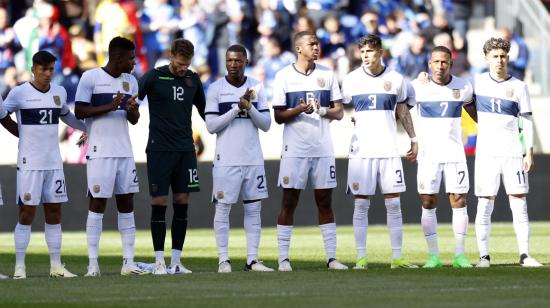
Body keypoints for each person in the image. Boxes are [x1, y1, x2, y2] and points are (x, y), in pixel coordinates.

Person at [0, 50, 85, 279]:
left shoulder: (59, 92)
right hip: (29, 163)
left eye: (50, 69)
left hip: (53, 163)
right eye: (43, 69)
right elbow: (2, 114)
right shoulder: (19, 93)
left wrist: (88, 128)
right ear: (33, 69)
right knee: (26, 213)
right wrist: (20, 134)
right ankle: (19, 267)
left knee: (54, 212)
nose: (47, 74)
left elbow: (67, 116)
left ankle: (56, 266)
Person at [341, 34, 418, 270]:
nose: (365, 56)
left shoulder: (396, 79)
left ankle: (397, 258)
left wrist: (414, 138)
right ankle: (361, 258)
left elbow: (403, 110)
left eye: (370, 52)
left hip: (388, 149)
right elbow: (340, 107)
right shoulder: (351, 80)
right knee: (361, 204)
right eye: (362, 52)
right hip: (361, 150)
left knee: (393, 204)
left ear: (380, 53)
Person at [272, 31, 347, 271]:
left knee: (325, 201)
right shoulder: (283, 76)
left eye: (317, 43)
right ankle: (283, 258)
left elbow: (339, 112)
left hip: (322, 148)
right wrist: (300, 110)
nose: (316, 47)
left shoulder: (327, 74)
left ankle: (331, 257)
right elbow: (278, 116)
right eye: (311, 44)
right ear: (298, 48)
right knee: (289, 201)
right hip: (294, 149)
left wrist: (322, 111)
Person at [75, 36, 148, 276]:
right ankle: (93, 264)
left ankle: (128, 263)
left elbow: (134, 121)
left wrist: (132, 110)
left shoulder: (131, 82)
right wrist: (110, 105)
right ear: (117, 58)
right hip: (99, 152)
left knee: (127, 204)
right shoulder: (90, 78)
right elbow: (80, 111)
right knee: (97, 205)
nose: (133, 62)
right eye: (130, 58)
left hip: (124, 151)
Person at [138, 38, 205, 275]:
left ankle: (175, 262)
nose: (181, 69)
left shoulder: (193, 80)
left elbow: (207, 113)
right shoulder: (153, 77)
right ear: (171, 56)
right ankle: (158, 261)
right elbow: (132, 103)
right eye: (178, 64)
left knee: (182, 202)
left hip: (186, 150)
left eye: (186, 65)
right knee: (159, 202)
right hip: (159, 149)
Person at [473, 37, 542, 267]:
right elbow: (449, 88)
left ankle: (524, 255)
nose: (499, 60)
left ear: (508, 58)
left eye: (503, 56)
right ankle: (484, 256)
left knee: (519, 202)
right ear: (486, 59)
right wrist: (423, 78)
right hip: (486, 154)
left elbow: (527, 121)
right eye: (495, 56)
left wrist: (528, 152)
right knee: (485, 203)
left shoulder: (520, 87)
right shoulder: (477, 82)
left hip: (513, 152)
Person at [205, 44, 274, 273]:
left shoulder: (256, 86)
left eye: (238, 60)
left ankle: (252, 260)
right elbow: (211, 125)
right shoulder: (215, 88)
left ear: (246, 61)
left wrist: (250, 108)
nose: (233, 64)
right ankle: (223, 259)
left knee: (254, 210)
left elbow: (266, 125)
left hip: (253, 158)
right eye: (229, 60)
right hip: (226, 159)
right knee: (223, 209)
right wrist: (237, 108)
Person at [409, 46, 476, 268]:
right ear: (429, 64)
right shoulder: (418, 86)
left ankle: (460, 255)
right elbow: (400, 109)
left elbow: (476, 112)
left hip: (454, 152)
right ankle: (434, 256)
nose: (440, 66)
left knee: (459, 200)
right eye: (436, 62)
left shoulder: (463, 86)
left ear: (450, 63)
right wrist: (412, 140)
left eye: (444, 62)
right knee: (428, 201)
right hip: (428, 154)